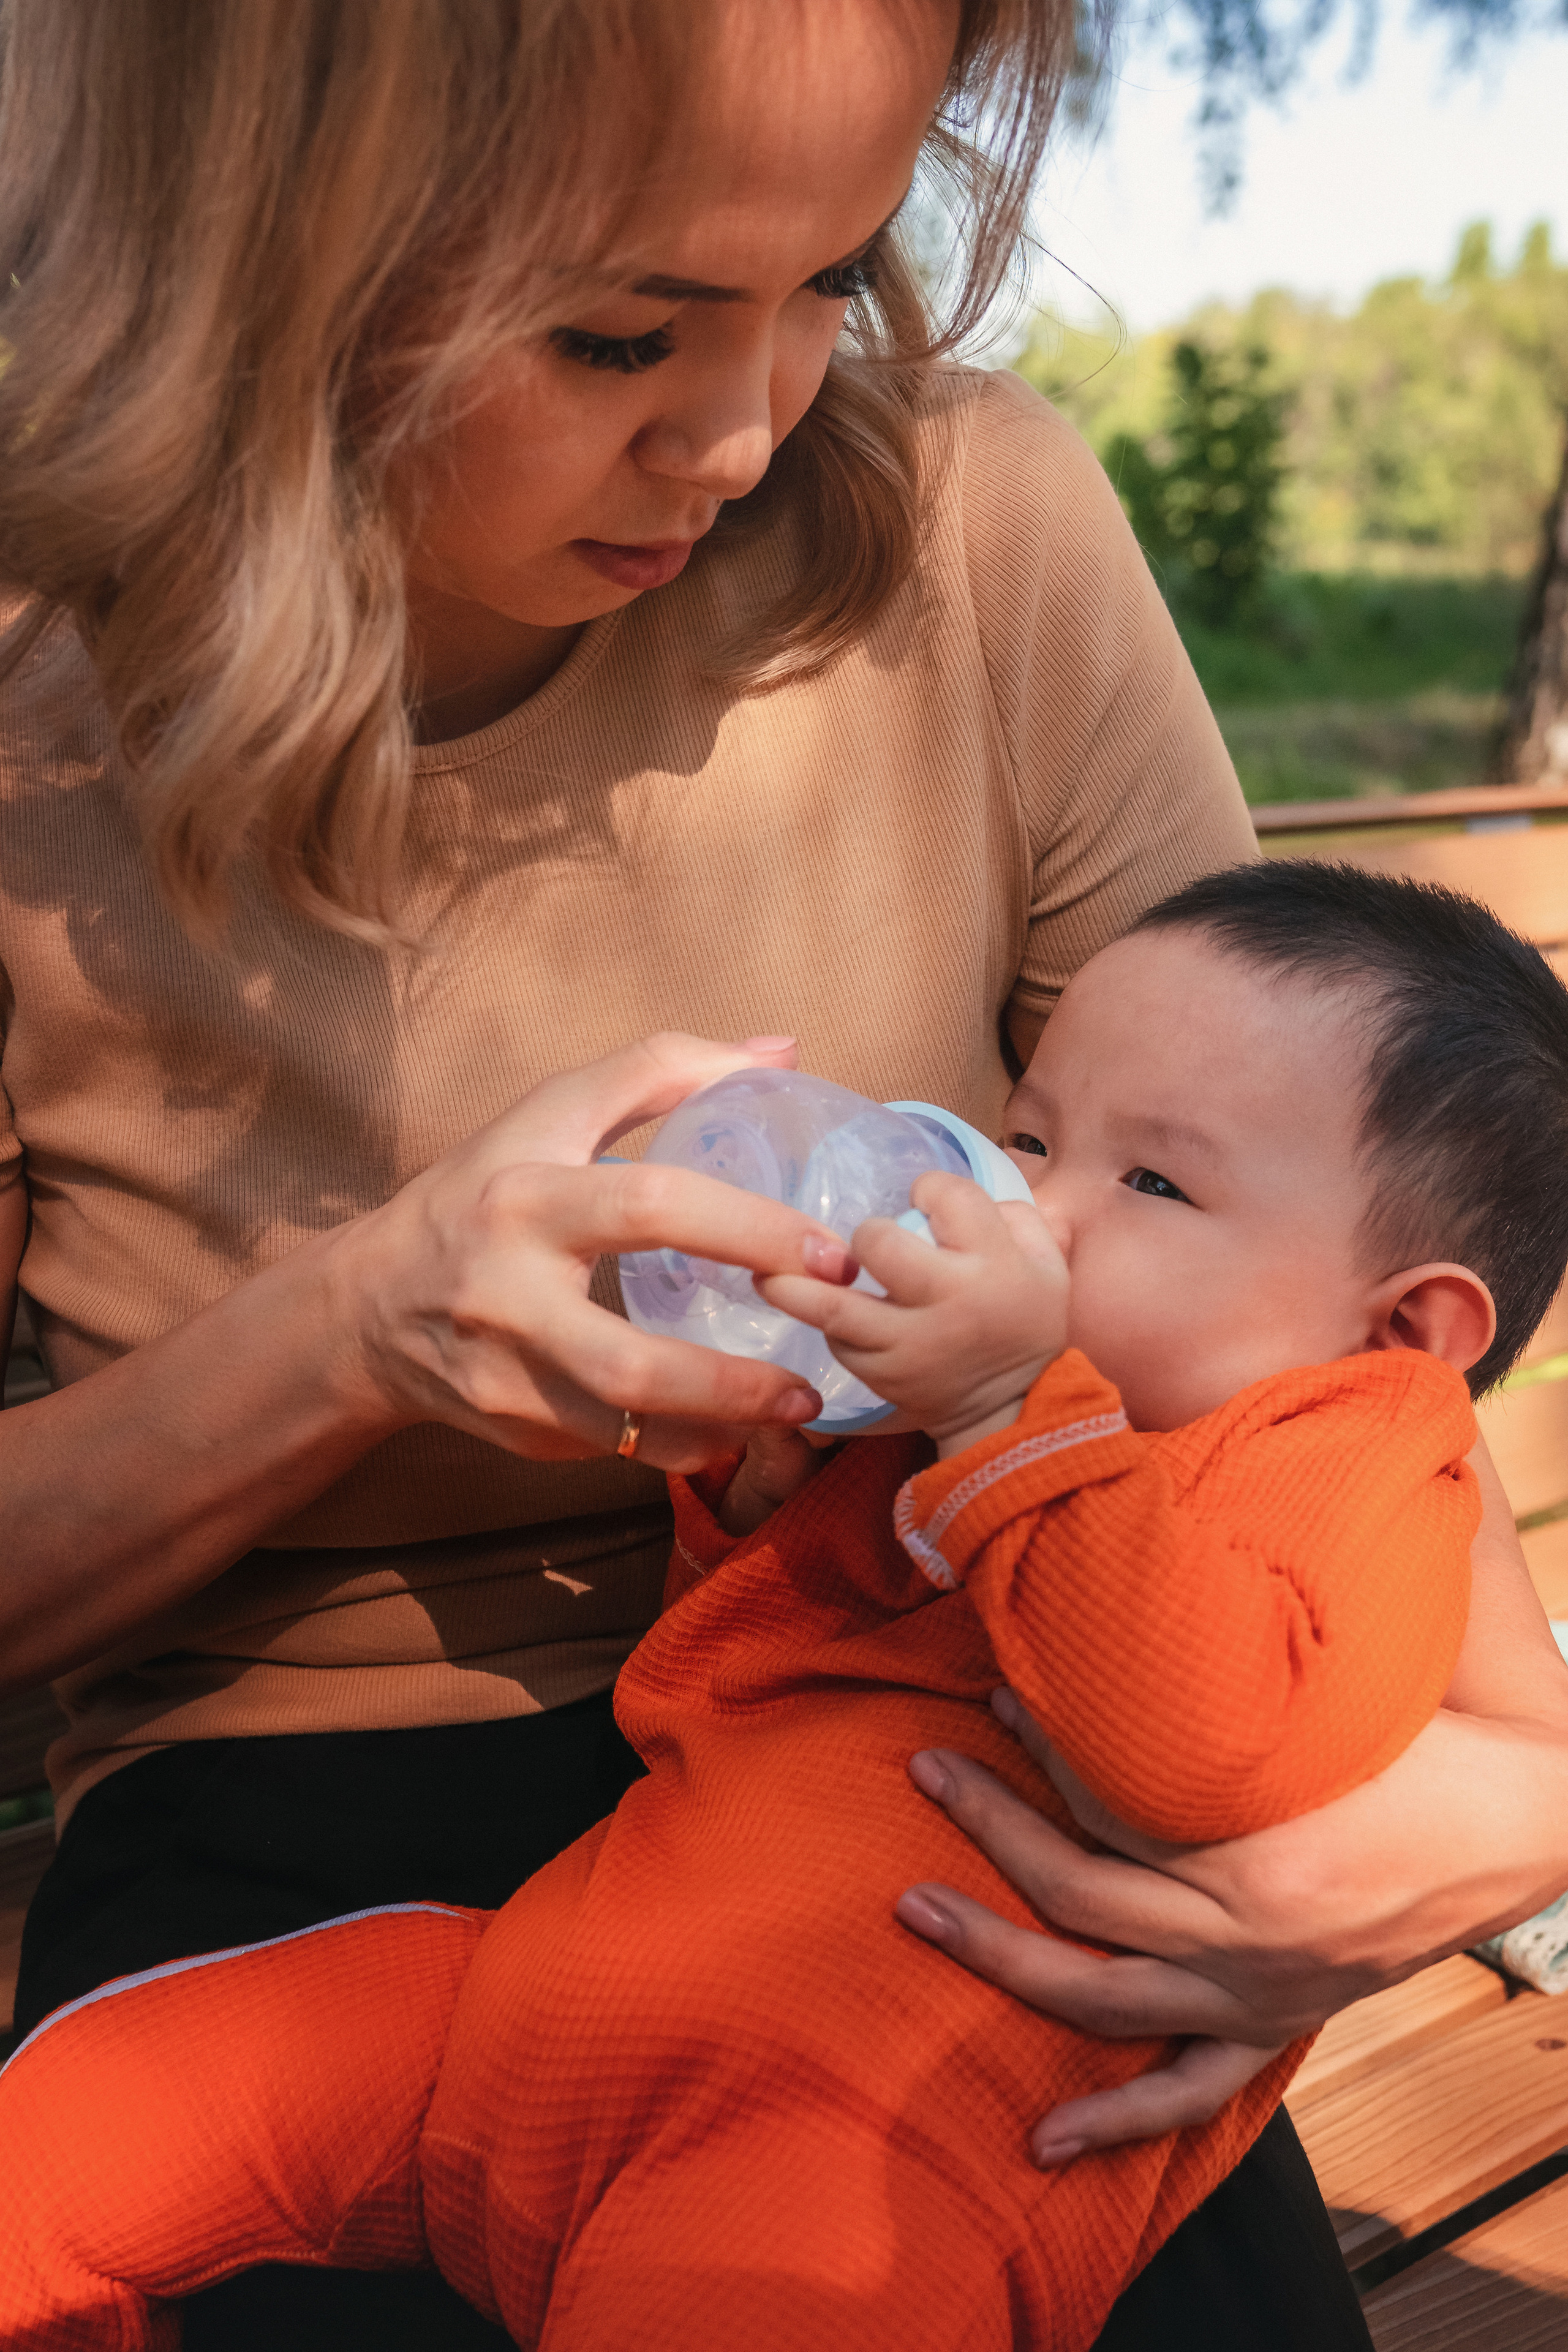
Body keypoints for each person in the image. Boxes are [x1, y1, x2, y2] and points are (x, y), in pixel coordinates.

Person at [1, 5, 1565, 2347]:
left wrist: (1445, 1839)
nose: (744, 434)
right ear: (254, 247)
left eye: (834, 274)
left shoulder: (976, 525)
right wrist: (352, 1332)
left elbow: (1347, 1337)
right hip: (321, 1825)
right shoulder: (40, 699)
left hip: (969, 1774)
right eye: (618, 326)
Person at [6, 861, 1568, 2351]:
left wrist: (1014, 1412)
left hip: (834, 2156)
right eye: (1027, 1140)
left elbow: (1195, 1754)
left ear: (1404, 1327)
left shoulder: (1347, 1454)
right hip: (512, 2002)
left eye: (1149, 1179)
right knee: (65, 2140)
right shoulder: (987, 1413)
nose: (1031, 1214)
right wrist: (764, 1490)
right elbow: (736, 1674)